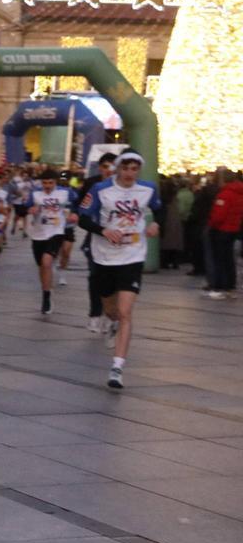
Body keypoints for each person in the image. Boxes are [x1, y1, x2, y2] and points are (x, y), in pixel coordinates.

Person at [77, 149, 160, 389]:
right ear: (118, 168)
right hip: (104, 257)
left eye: (134, 169)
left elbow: (158, 207)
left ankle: (117, 367)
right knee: (111, 309)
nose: (129, 174)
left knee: (125, 312)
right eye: (125, 168)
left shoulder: (148, 189)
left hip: (133, 255)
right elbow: (83, 217)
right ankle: (109, 320)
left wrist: (155, 222)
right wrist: (103, 230)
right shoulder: (101, 190)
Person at [27, 168, 77, 315]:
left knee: (47, 261)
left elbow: (77, 203)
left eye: (50, 183)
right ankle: (45, 291)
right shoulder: (35, 193)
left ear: (56, 182)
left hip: (56, 231)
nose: (47, 186)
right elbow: (26, 208)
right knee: (42, 266)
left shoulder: (65, 192)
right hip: (38, 234)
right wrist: (31, 210)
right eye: (45, 183)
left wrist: (74, 214)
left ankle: (47, 297)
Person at [77, 153, 116, 332]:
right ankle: (95, 313)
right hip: (96, 235)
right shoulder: (92, 184)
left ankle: (111, 314)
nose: (109, 170)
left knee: (114, 278)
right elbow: (80, 208)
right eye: (106, 166)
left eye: (113, 166)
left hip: (119, 240)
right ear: (100, 167)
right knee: (95, 275)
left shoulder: (123, 186)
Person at [206, 172, 243, 299]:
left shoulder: (225, 194)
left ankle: (219, 287)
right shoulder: (239, 193)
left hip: (221, 230)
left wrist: (211, 225)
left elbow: (218, 216)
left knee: (219, 259)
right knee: (229, 260)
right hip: (233, 229)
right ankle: (230, 287)